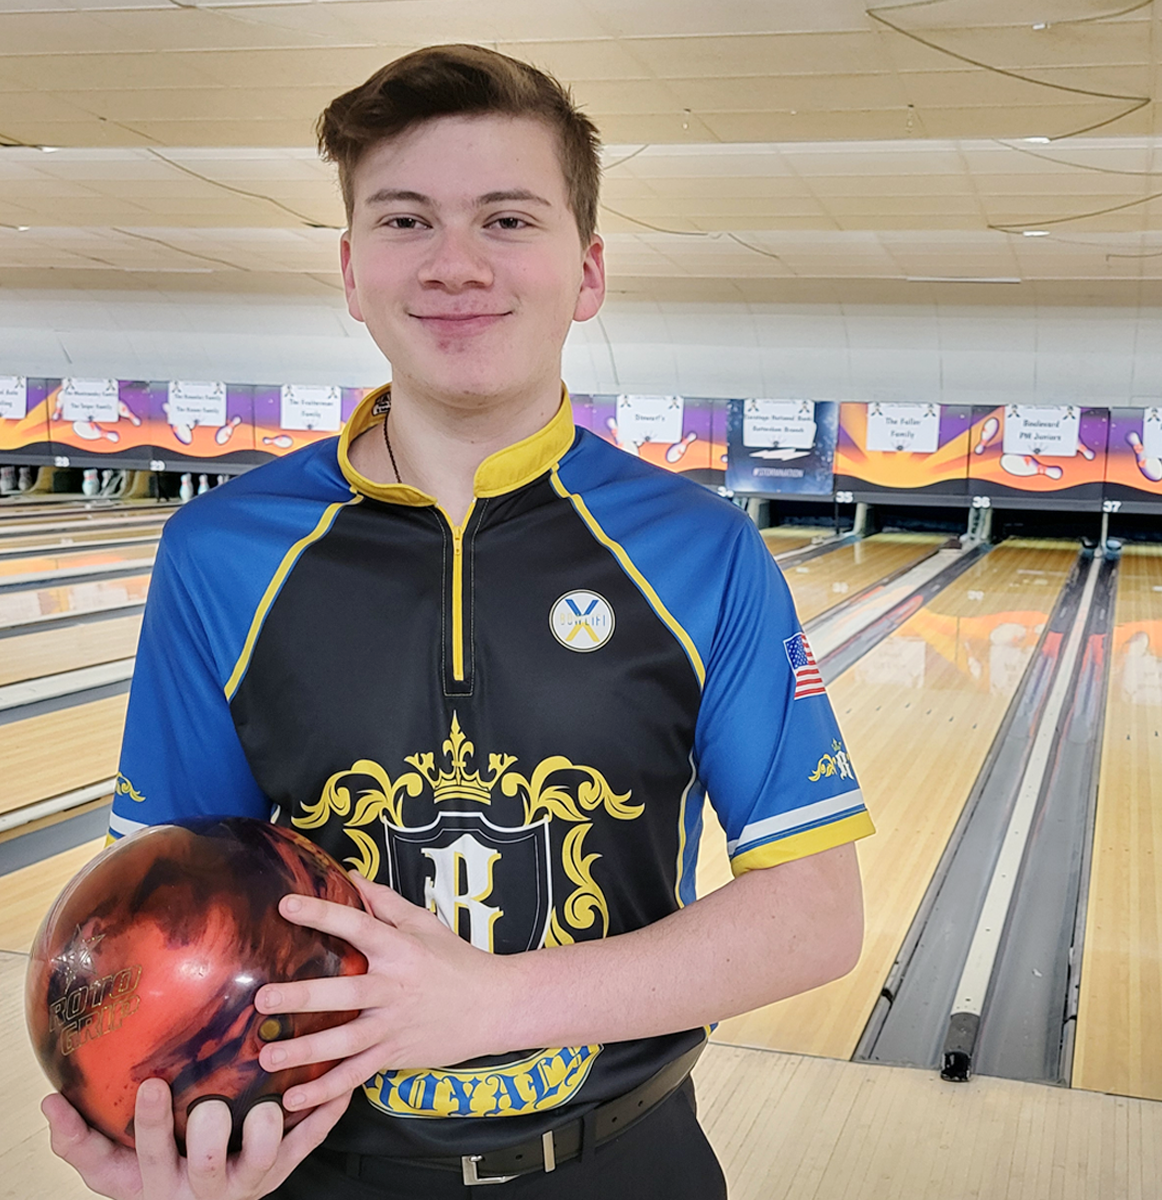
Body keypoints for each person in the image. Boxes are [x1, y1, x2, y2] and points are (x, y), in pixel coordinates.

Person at [42, 43, 872, 1200]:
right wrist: (172, 1145)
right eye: (405, 221)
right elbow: (167, 906)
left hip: (623, 1163)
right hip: (316, 1173)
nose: (455, 264)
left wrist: (495, 1002)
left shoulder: (702, 549)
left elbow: (816, 916)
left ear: (586, 271)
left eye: (507, 219)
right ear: (350, 268)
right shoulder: (222, 552)